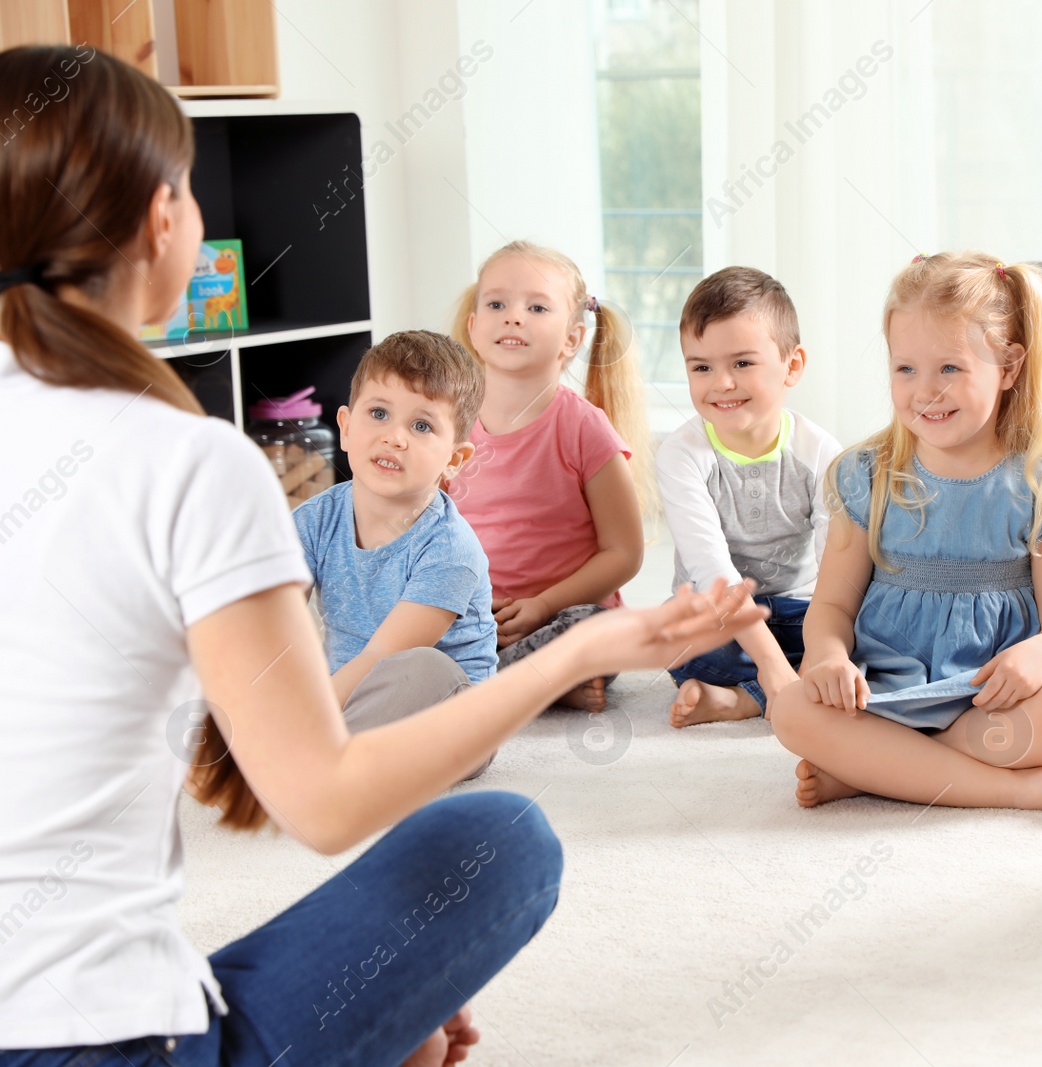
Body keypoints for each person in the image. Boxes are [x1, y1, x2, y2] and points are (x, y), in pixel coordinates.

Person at [0, 45, 763, 1065]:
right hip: (100, 1041)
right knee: (496, 838)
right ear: (163, 220)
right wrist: (581, 653)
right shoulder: (192, 461)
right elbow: (321, 801)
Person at [768, 252, 1042, 814]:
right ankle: (1018, 791)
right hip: (888, 696)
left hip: (993, 700)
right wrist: (829, 656)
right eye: (905, 369)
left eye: (950, 369)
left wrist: (1036, 656)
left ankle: (880, 770)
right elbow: (833, 604)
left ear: (1008, 368)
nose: (925, 391)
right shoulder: (869, 475)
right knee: (789, 708)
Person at [446, 241, 656, 714]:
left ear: (572, 339)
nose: (513, 317)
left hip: (564, 611)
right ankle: (537, 680)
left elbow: (624, 553)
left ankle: (507, 679)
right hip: (478, 613)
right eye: (496, 304)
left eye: (536, 307)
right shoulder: (447, 425)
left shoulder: (584, 428)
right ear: (474, 328)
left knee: (592, 629)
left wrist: (542, 605)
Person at [296, 330, 500, 777]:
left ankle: (315, 763)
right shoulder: (314, 520)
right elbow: (273, 623)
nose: (395, 437)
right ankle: (320, 756)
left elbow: (381, 659)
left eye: (422, 425)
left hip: (452, 721)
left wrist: (301, 726)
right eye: (379, 413)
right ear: (346, 428)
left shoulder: (450, 548)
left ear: (455, 459)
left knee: (420, 666)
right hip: (350, 706)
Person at [658, 266, 842, 726]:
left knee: (873, 640)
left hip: (804, 612)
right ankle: (770, 688)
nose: (721, 383)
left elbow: (838, 566)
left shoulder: (821, 452)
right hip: (722, 618)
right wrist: (773, 666)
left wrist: (827, 648)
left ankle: (738, 700)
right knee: (669, 630)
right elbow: (712, 572)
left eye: (742, 363)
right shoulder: (682, 454)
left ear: (792, 366)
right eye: (702, 367)